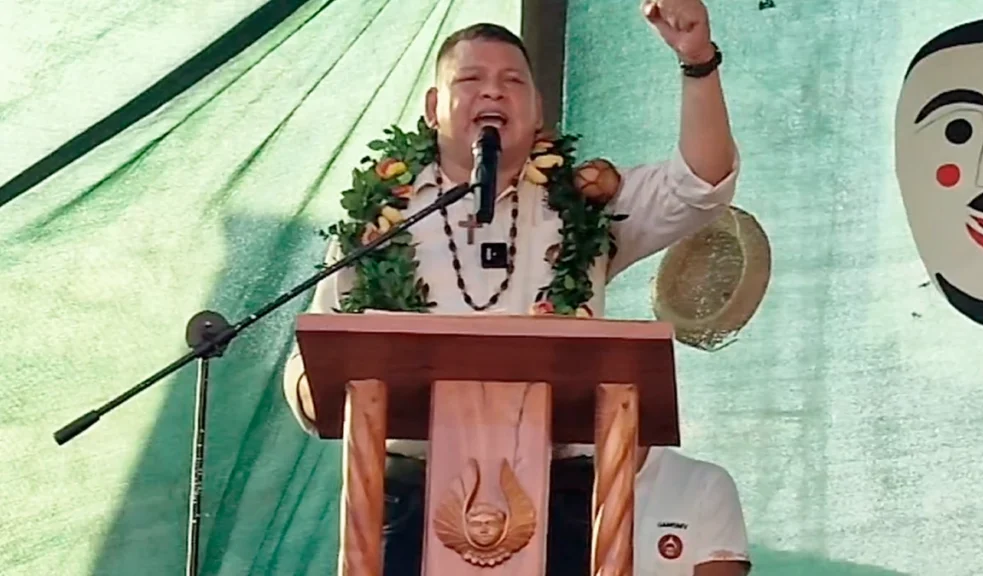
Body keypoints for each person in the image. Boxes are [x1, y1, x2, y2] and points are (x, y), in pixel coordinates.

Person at [283, 0, 750, 574]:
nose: (493, 93)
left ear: (537, 107)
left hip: (562, 503)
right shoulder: (381, 219)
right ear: (434, 107)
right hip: (410, 504)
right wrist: (319, 387)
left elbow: (700, 184)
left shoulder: (584, 202)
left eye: (511, 81)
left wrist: (697, 62)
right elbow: (318, 356)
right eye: (471, 79)